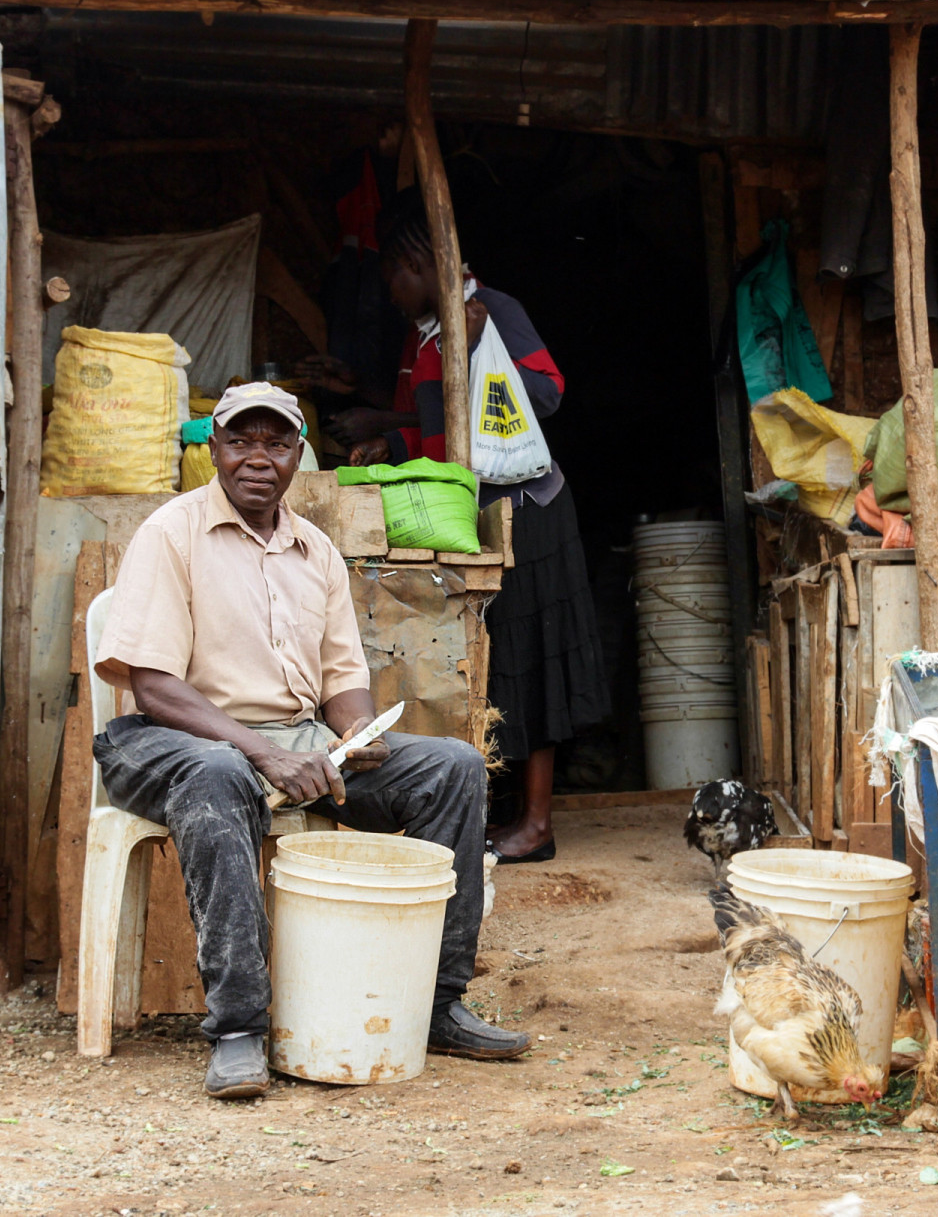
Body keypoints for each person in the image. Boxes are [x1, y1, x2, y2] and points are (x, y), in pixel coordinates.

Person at [92, 381, 532, 1100]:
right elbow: (156, 688)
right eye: (240, 441)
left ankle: (436, 1003)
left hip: (298, 743)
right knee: (216, 772)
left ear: (298, 453)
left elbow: (341, 678)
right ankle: (238, 1029)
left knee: (452, 766)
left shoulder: (316, 550)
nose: (256, 459)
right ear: (215, 451)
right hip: (176, 736)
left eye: (275, 443)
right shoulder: (170, 533)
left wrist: (357, 729)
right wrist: (261, 751)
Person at [345, 191, 608, 865]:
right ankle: (499, 814)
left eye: (395, 277)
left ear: (422, 260)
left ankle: (538, 822)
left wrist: (482, 336)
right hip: (475, 514)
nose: (394, 293)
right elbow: (437, 435)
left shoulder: (495, 311)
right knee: (494, 670)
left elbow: (546, 394)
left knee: (532, 665)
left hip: (529, 514)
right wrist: (391, 442)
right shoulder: (426, 335)